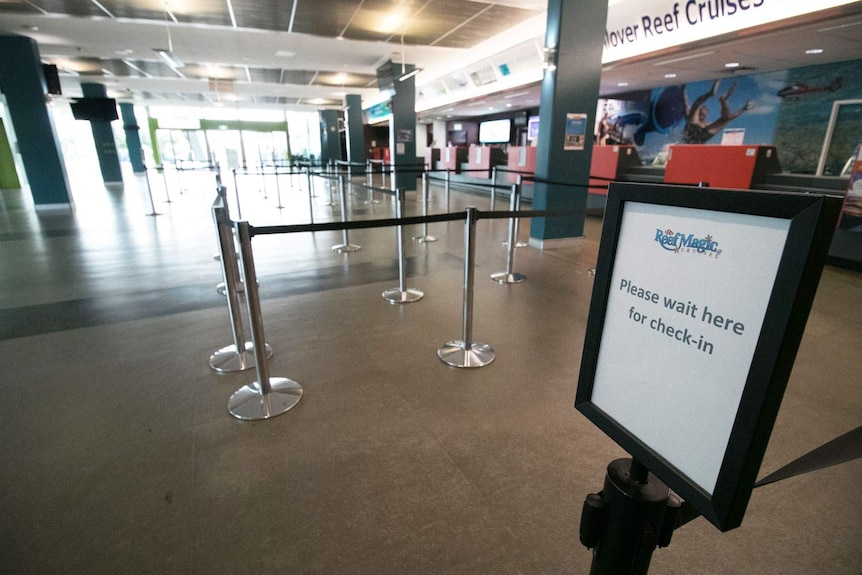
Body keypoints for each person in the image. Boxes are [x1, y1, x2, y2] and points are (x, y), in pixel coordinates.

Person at [681, 80, 754, 144]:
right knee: (695, 107)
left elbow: (728, 117)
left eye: (704, 113)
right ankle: (710, 93)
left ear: (706, 115)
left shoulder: (707, 124)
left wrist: (743, 109)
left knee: (725, 119)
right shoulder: (691, 116)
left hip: (701, 138)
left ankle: (722, 100)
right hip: (692, 130)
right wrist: (683, 90)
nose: (702, 114)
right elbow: (686, 102)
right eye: (701, 113)